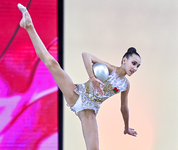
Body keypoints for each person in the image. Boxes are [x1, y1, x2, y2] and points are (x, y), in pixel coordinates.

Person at [17, 3, 141, 150]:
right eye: (134, 63)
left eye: (138, 66)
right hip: (76, 94)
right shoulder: (109, 68)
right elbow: (86, 55)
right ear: (124, 60)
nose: (135, 68)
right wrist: (92, 78)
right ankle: (29, 25)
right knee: (52, 64)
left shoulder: (125, 85)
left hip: (89, 111)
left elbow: (124, 107)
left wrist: (126, 127)